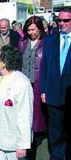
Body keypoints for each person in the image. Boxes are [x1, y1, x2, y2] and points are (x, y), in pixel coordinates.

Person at [0, 44, 33, 160]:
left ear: (4, 62)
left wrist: (22, 145)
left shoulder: (22, 83)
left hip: (13, 143)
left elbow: (25, 115)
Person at [40, 8, 71, 160]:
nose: (62, 23)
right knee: (56, 133)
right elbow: (44, 67)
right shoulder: (49, 40)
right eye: (59, 20)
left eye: (66, 20)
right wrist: (43, 90)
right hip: (53, 95)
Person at [18, 16, 46, 160]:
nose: (30, 32)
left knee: (38, 111)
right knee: (25, 110)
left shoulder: (46, 43)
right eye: (28, 29)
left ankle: (37, 134)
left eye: (33, 29)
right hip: (24, 82)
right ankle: (27, 134)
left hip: (39, 83)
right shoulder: (22, 43)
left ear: (40, 29)